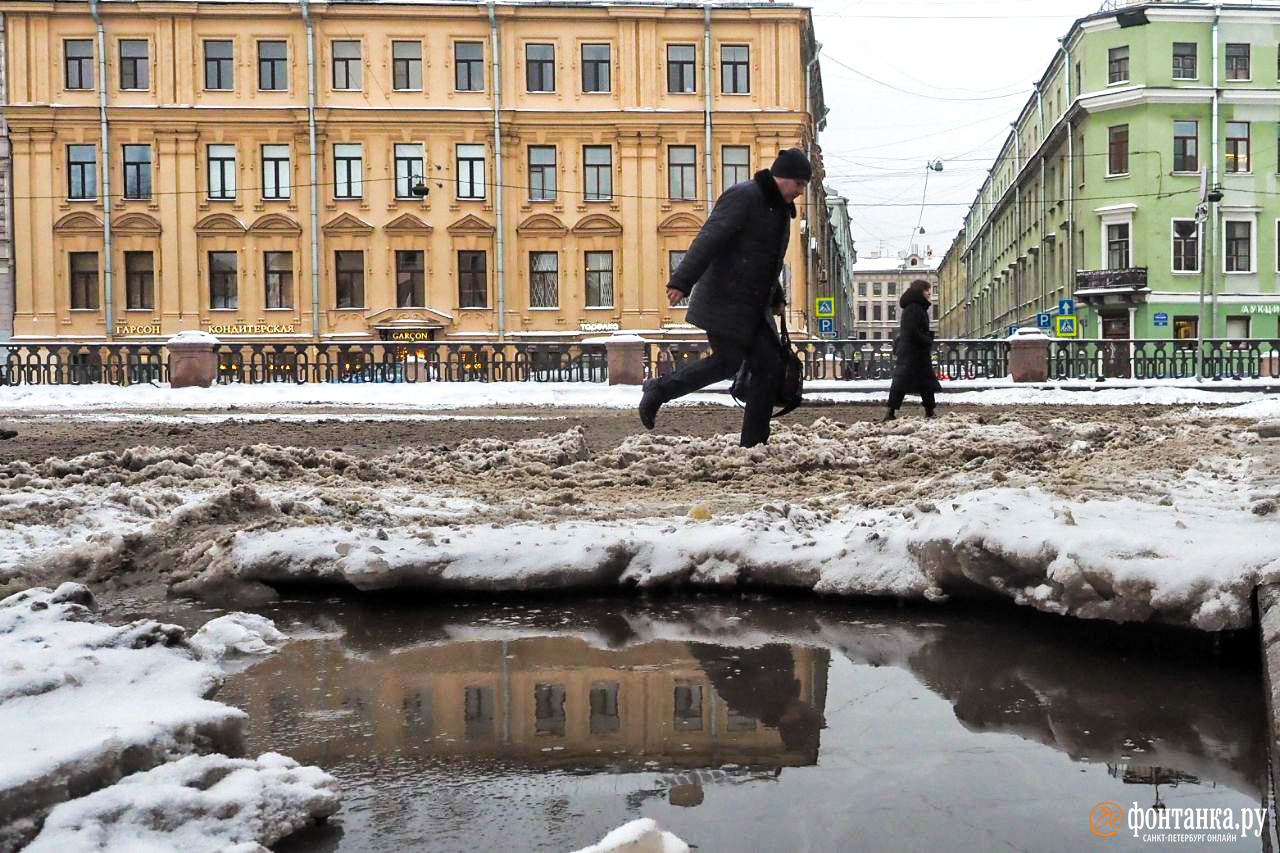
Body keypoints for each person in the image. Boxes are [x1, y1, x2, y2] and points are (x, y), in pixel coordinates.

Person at [638, 148, 811, 447]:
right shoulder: (745, 196)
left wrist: (777, 295)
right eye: (800, 185)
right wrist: (682, 280)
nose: (800, 192)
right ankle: (658, 390)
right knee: (728, 362)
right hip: (725, 299)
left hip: (753, 304)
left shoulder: (778, 209)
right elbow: (710, 237)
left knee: (768, 366)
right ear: (785, 179)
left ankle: (754, 444)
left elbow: (765, 259)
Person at [884, 278, 941, 420]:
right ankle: (891, 412)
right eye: (927, 290)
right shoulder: (914, 308)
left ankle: (928, 411)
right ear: (920, 291)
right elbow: (912, 330)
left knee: (920, 382)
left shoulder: (915, 307)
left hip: (913, 352)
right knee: (905, 383)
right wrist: (927, 340)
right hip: (913, 352)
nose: (929, 293)